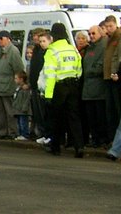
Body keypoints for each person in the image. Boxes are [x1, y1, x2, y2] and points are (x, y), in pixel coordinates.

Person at [41, 23, 84, 158]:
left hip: (59, 87)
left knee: (56, 118)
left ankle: (55, 147)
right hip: (73, 85)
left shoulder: (51, 51)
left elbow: (50, 74)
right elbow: (79, 69)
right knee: (74, 117)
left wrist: (48, 95)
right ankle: (79, 146)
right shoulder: (73, 49)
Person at [0, 30, 24, 140]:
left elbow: (18, 68)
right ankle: (3, 132)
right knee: (1, 112)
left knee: (10, 111)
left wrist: (18, 83)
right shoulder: (1, 51)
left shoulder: (13, 51)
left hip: (8, 85)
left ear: (8, 39)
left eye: (1, 38)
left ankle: (12, 132)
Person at [81, 25, 109, 147]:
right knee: (91, 117)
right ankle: (95, 139)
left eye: (93, 33)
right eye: (90, 33)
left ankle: (102, 139)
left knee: (100, 117)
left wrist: (89, 72)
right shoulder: (90, 48)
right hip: (88, 88)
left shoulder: (103, 46)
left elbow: (100, 66)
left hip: (98, 88)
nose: (91, 36)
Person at [12, 71, 32, 140]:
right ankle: (20, 134)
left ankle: (25, 134)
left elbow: (27, 99)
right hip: (18, 108)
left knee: (23, 122)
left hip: (23, 109)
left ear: (21, 79)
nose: (15, 80)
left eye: (16, 78)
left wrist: (25, 107)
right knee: (19, 123)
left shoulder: (25, 89)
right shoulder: (18, 88)